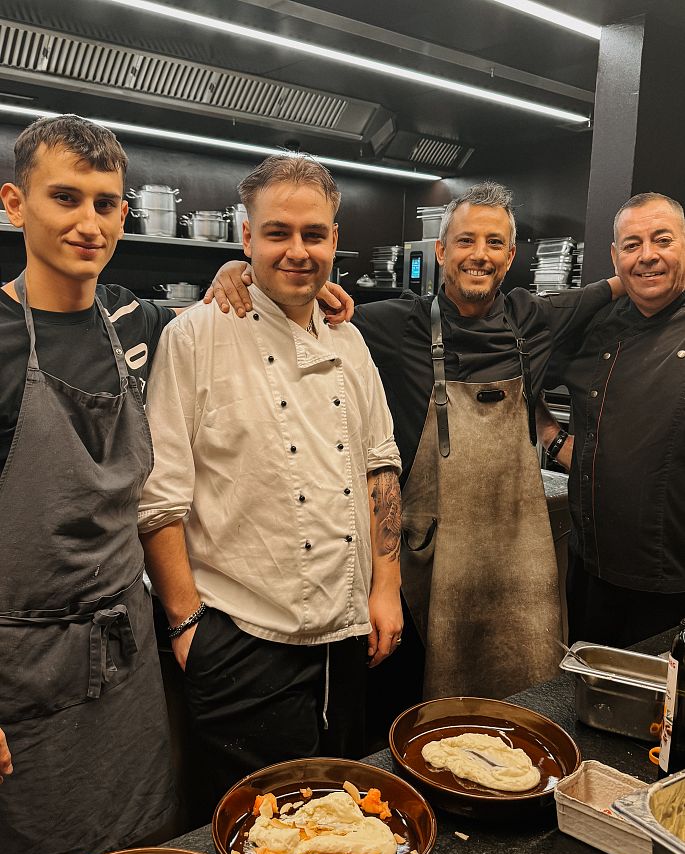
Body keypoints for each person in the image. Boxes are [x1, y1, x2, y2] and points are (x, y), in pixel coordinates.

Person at [208, 182, 622, 704]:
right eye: (466, 240)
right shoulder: (394, 323)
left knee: (518, 700)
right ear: (442, 251)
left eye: (494, 243)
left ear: (512, 255)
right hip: (426, 561)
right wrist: (237, 270)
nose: (480, 254)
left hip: (514, 561)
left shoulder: (537, 318)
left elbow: (622, 283)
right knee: (417, 705)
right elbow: (293, 296)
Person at [138, 154, 402, 820]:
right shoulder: (193, 335)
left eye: (313, 234)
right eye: (278, 232)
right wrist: (187, 625)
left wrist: (386, 587)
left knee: (339, 820)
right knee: (252, 835)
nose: (297, 250)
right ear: (247, 237)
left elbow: (380, 464)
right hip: (240, 638)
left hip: (346, 636)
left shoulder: (349, 339)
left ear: (335, 239)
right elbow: (159, 497)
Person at [0, 114, 180, 854]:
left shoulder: (132, 320)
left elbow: (231, 315)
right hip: (22, 670)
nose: (89, 223)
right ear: (15, 202)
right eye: (65, 197)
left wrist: (243, 279)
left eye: (106, 203)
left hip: (127, 658)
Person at [544, 192, 685, 647]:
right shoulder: (594, 326)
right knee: (585, 685)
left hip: (673, 583)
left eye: (663, 240)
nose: (647, 256)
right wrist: (553, 438)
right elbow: (517, 371)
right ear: (614, 257)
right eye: (632, 244)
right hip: (591, 570)